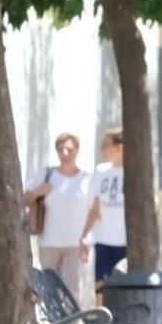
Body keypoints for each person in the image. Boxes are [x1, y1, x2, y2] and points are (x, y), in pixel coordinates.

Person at [25, 133, 95, 304]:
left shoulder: (87, 179)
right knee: (49, 290)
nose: (65, 153)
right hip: (49, 242)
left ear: (77, 151)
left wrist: (87, 239)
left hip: (75, 244)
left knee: (72, 293)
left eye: (69, 149)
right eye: (61, 149)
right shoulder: (47, 174)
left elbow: (95, 212)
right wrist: (38, 192)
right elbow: (24, 199)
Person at [79, 128, 126, 294]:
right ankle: (103, 319)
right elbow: (95, 208)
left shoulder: (133, 172)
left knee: (123, 286)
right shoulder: (101, 172)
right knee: (101, 285)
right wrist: (84, 235)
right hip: (104, 239)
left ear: (119, 147)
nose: (102, 149)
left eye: (106, 145)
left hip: (126, 242)